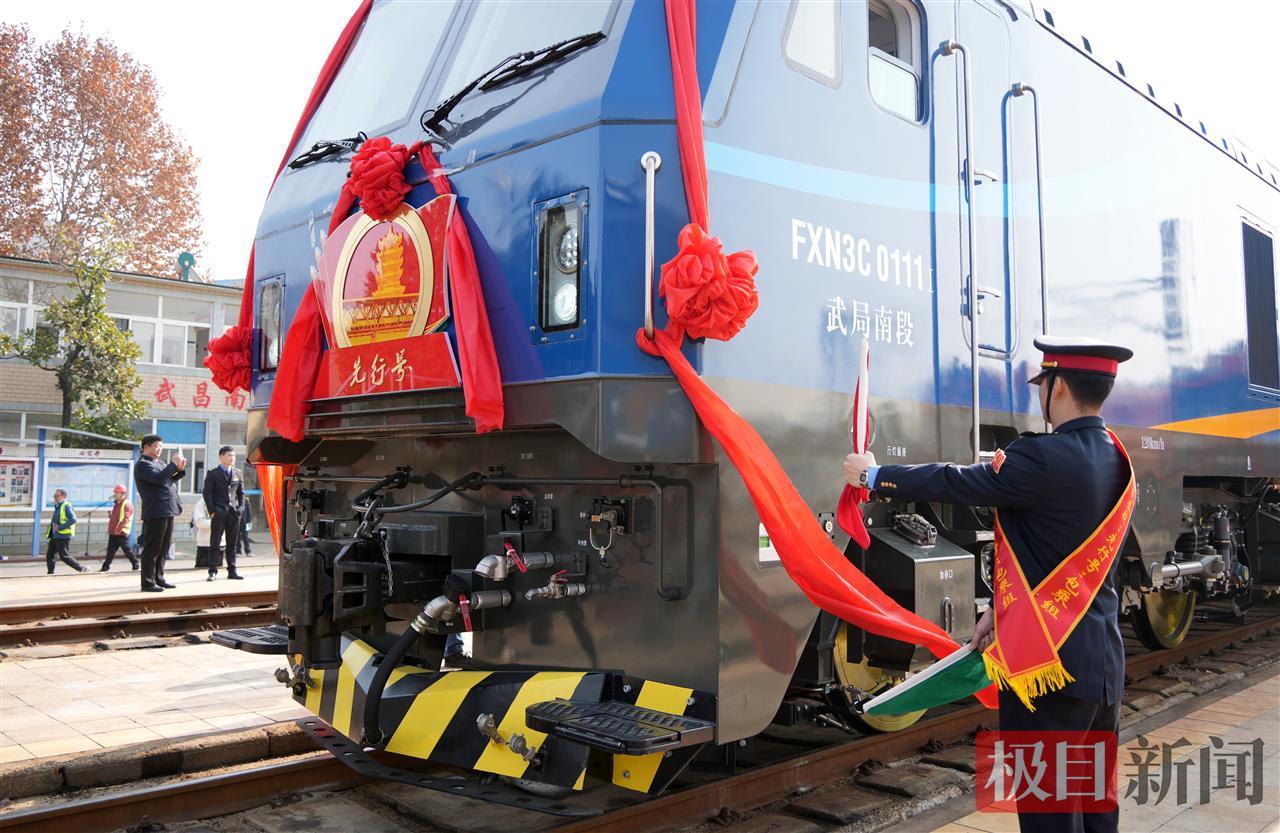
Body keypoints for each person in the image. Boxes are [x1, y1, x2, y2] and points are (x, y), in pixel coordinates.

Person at [842, 336, 1134, 833]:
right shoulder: (1117, 458)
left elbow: (957, 481)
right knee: (1095, 805)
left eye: (1043, 384)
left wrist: (876, 476)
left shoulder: (1042, 457)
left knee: (1050, 814)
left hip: (1048, 670)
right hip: (1103, 664)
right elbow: (1061, 555)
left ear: (1059, 388)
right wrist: (1000, 609)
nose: (1039, 393)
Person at [134, 434, 186, 592]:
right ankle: (147, 582)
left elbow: (168, 480)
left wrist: (179, 470)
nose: (159, 449)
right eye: (156, 446)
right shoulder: (143, 464)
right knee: (152, 549)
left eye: (161, 447)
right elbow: (158, 479)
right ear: (146, 447)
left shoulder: (161, 463)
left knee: (163, 548)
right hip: (155, 510)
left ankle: (159, 578)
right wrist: (173, 464)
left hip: (168, 509)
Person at [202, 445, 245, 580]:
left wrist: (241, 508)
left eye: (233, 455)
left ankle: (232, 571)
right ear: (221, 457)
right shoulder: (213, 473)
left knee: (232, 544)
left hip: (234, 513)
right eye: (229, 455)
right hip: (219, 512)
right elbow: (207, 493)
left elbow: (241, 493)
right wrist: (212, 511)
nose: (232, 458)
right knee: (215, 542)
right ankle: (212, 571)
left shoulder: (237, 473)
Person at [46, 488, 86, 573]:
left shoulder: (66, 506)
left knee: (64, 556)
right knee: (50, 554)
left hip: (62, 535)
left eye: (57, 496)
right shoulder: (58, 506)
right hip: (55, 535)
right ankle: (50, 572)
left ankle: (81, 568)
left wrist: (60, 528)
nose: (55, 497)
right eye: (54, 496)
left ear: (63, 496)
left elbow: (73, 519)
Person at [101, 484, 139, 571]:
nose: (115, 494)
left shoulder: (127, 504)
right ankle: (105, 567)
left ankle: (135, 564)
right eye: (115, 492)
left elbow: (125, 519)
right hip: (113, 532)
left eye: (117, 492)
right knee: (110, 551)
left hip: (121, 532)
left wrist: (118, 530)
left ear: (122, 493)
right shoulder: (116, 504)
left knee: (127, 550)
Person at [192, 497, 213, 571]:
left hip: (221, 544)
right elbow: (199, 523)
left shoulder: (222, 500)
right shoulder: (202, 503)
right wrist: (216, 522)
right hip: (204, 545)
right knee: (201, 570)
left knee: (219, 569)